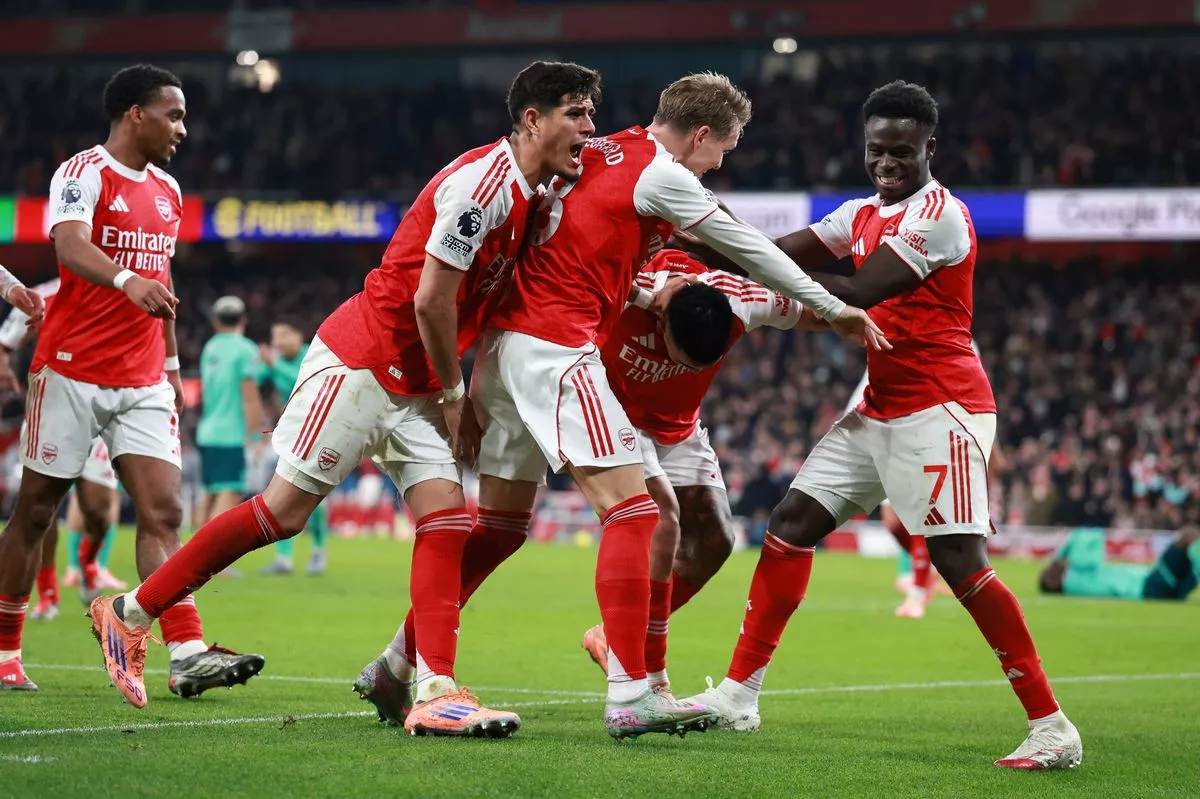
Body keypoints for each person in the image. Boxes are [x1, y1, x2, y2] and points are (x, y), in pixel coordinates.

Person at [89, 62, 602, 737]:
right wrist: (455, 395)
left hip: (416, 381)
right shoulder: (482, 187)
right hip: (363, 362)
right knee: (281, 513)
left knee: (447, 521)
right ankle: (130, 611)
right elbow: (430, 300)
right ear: (532, 120)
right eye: (575, 113)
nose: (589, 128)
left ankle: (436, 689)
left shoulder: (534, 193)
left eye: (591, 114)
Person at [432, 71, 884, 741]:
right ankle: (634, 690)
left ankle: (405, 663)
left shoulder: (599, 151)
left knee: (501, 528)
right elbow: (749, 246)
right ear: (700, 136)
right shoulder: (661, 173)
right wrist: (834, 307)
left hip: (514, 342)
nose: (717, 166)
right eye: (721, 151)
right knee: (639, 512)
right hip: (555, 343)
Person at [680, 80, 1082, 770]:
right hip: (880, 404)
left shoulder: (940, 216)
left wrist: (746, 265)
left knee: (960, 562)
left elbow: (860, 291)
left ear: (930, 148)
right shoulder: (861, 212)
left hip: (942, 408)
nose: (887, 163)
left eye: (902, 151)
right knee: (790, 524)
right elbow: (779, 249)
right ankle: (740, 695)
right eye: (877, 150)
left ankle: (1052, 726)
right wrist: (689, 238)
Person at [0, 64, 263, 698]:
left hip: (143, 377)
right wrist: (126, 279)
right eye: (174, 115)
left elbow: (161, 285)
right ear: (135, 115)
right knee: (36, 511)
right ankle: (5, 651)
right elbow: (70, 247)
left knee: (164, 510)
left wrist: (170, 371)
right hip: (71, 370)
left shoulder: (169, 190)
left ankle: (187, 651)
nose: (183, 129)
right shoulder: (82, 172)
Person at [579, 247, 830, 692]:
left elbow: (815, 311)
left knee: (716, 540)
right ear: (663, 322)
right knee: (664, 517)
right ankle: (651, 679)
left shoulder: (741, 299)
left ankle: (610, 635)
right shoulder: (629, 284)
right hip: (615, 411)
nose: (688, 369)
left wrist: (867, 316)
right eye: (684, 358)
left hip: (678, 427)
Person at [0, 278, 124, 623]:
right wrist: (4, 366)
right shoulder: (42, 295)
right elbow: (5, 344)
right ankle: (48, 594)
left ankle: (88, 560)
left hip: (101, 416)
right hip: (51, 414)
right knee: (41, 509)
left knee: (99, 510)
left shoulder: (121, 292)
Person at [256, 318, 331, 576]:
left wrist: (273, 363)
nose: (277, 342)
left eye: (283, 335)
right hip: (290, 435)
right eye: (274, 336)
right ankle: (284, 558)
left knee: (314, 497)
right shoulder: (277, 360)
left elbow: (304, 382)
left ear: (298, 336)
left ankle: (319, 550)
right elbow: (255, 377)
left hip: (318, 432)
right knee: (282, 495)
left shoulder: (313, 354)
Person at [195, 295, 263, 526]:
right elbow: (250, 398)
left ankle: (194, 548)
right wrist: (255, 436)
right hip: (231, 434)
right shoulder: (246, 350)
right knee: (229, 492)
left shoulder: (210, 348)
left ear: (216, 321)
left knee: (209, 494)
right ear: (243, 319)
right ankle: (214, 550)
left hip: (207, 432)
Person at [1040, 527, 1200, 601]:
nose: (1051, 566)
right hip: (1149, 587)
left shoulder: (1075, 580)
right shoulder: (1073, 579)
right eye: (1048, 572)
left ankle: (1192, 577)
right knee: (1188, 536)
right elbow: (1093, 537)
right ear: (1053, 583)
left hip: (1151, 586)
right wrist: (1060, 556)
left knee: (1188, 544)